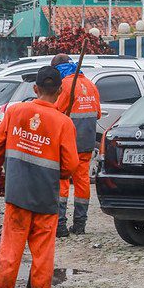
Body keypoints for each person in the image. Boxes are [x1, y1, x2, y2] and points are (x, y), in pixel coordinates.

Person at [0, 66, 79, 288]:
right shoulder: (63, 123)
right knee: (43, 256)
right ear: (60, 91)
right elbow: (70, 166)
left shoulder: (15, 112)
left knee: (10, 252)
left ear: (35, 89)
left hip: (18, 196)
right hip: (46, 199)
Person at [51, 53, 101, 237]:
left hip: (68, 144)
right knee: (82, 183)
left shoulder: (65, 86)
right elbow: (98, 114)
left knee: (63, 182)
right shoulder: (90, 85)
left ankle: (60, 225)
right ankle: (80, 224)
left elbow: (55, 111)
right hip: (86, 143)